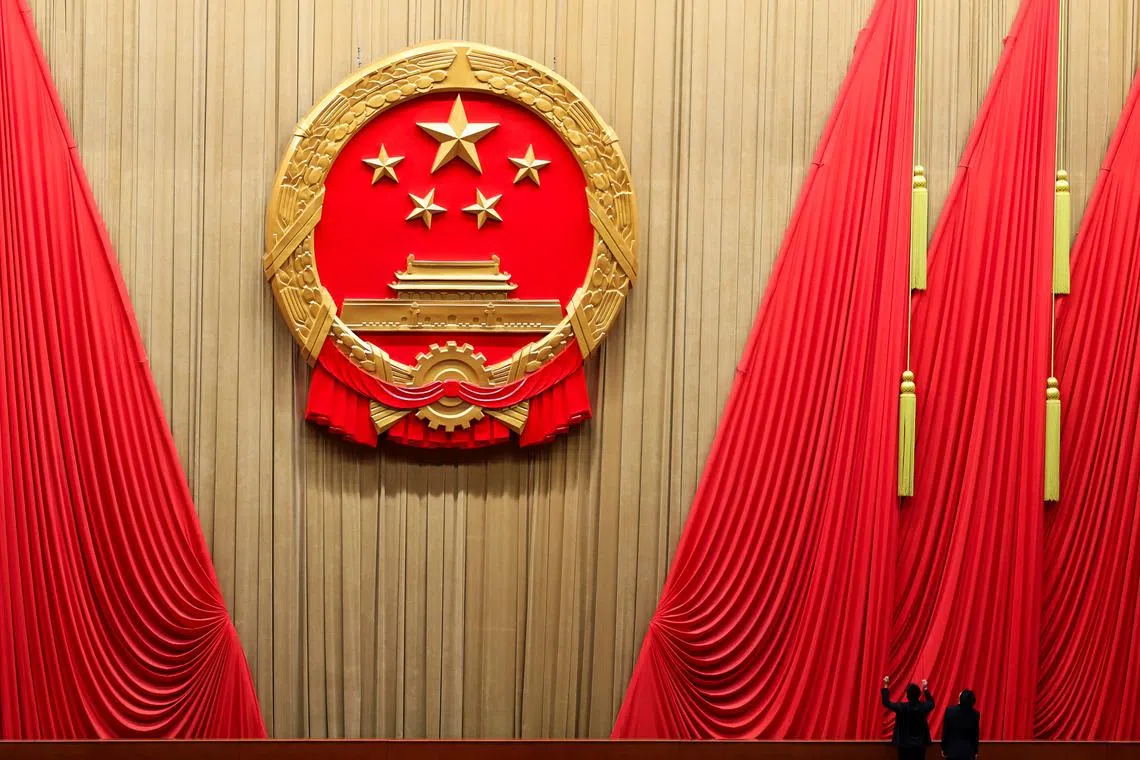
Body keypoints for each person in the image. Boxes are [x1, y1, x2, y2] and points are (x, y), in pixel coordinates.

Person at [881, 676, 934, 760]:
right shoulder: (923, 707)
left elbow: (886, 702)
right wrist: (926, 689)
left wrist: (886, 685)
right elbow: (931, 703)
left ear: (907, 696)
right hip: (919, 745)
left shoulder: (902, 708)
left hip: (904, 746)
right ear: (919, 695)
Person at [941, 689, 980, 760]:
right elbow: (975, 735)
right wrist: (975, 751)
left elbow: (945, 731)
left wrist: (943, 748)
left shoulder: (950, 711)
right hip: (968, 752)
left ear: (960, 699)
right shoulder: (975, 714)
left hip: (952, 751)